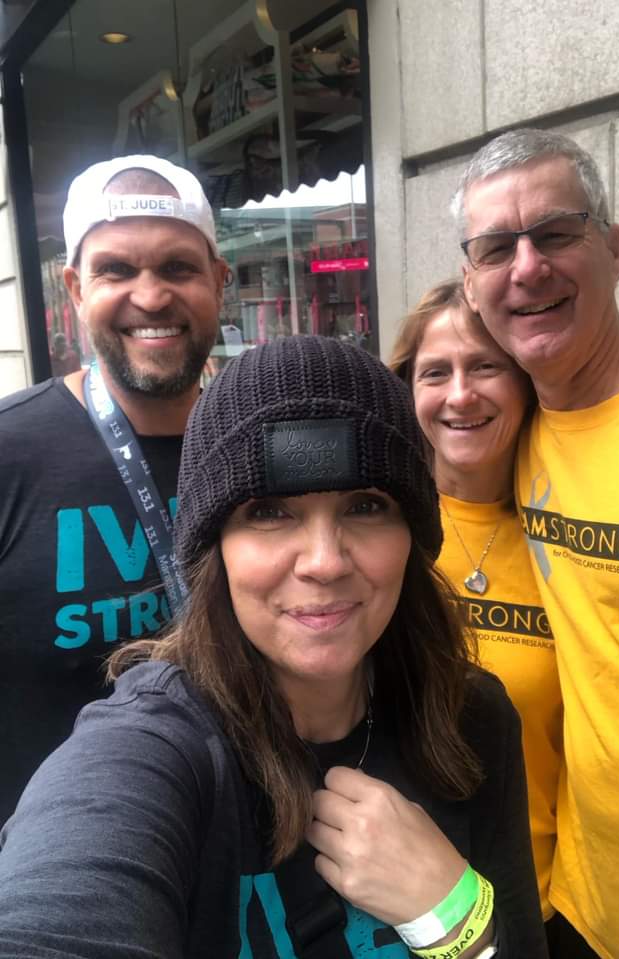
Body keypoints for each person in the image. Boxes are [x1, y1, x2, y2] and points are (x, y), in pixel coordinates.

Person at [0, 336, 548, 958]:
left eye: (366, 506)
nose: (324, 562)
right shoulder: (156, 750)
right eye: (268, 513)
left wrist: (455, 919)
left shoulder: (470, 719)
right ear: (215, 549)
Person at [454, 127, 619, 959]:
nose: (527, 267)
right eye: (497, 248)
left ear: (615, 249)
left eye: (556, 233)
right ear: (472, 284)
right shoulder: (517, 432)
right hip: (588, 902)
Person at [0, 155, 227, 824]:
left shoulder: (252, 435)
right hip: (67, 860)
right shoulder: (10, 452)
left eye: (178, 268)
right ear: (75, 288)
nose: (151, 297)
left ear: (219, 281)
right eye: (117, 270)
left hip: (250, 845)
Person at [389, 281, 563, 950]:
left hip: (541, 901)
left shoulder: (566, 540)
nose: (460, 395)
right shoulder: (378, 530)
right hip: (389, 907)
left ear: (522, 382)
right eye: (436, 373)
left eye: (485, 366)